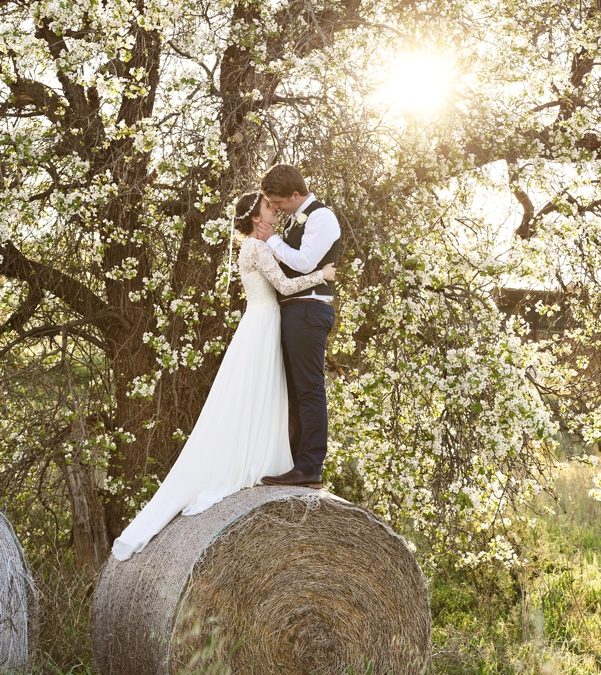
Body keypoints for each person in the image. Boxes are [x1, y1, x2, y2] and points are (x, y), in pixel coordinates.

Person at [111, 191, 336, 561]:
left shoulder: (255, 246)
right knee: (261, 395)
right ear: (255, 218)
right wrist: (321, 275)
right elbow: (284, 286)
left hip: (260, 325)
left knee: (260, 398)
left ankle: (266, 460)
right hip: (263, 327)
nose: (275, 212)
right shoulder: (257, 248)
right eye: (269, 208)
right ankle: (258, 463)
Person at [257, 164, 341, 489]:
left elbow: (305, 262)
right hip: (293, 310)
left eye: (278, 201)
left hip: (310, 309)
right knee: (293, 391)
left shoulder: (322, 217)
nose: (275, 207)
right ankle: (295, 461)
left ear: (295, 194)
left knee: (309, 389)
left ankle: (310, 465)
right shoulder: (296, 218)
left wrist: (273, 240)